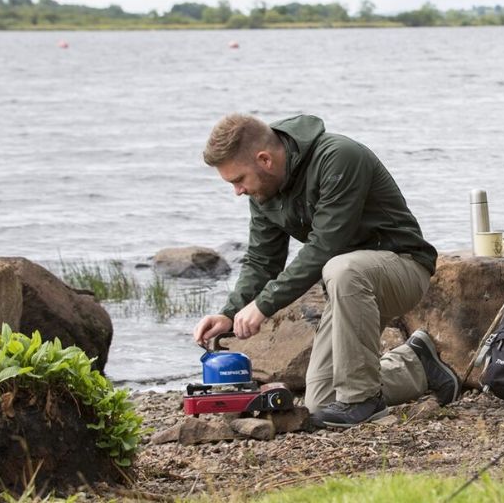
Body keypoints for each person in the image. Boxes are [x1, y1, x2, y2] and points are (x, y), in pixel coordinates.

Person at [192, 114, 460, 428]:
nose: (237, 191)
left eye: (238, 180)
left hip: (403, 268)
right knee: (322, 400)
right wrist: (230, 312)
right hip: (348, 287)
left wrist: (264, 306)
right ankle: (417, 364)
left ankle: (363, 402)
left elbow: (326, 245)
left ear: (264, 159)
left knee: (340, 267)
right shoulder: (264, 191)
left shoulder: (339, 157)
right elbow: (262, 261)